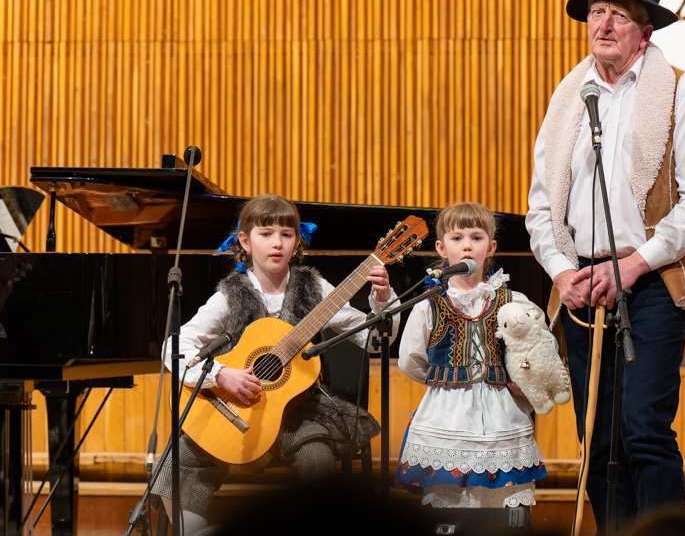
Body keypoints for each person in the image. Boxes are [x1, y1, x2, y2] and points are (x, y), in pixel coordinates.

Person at [525, 0, 685, 532]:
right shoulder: (569, 100)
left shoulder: (682, 94)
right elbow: (542, 209)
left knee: (644, 429)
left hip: (650, 281)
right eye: (596, 12)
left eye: (618, 14)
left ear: (646, 32)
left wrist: (632, 265)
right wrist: (563, 273)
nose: (603, 24)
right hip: (582, 285)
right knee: (600, 436)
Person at [150, 193, 400, 534]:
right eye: (265, 233)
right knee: (176, 462)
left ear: (297, 241)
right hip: (238, 409)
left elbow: (373, 340)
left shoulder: (316, 287)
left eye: (286, 234)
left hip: (303, 412)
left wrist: (382, 299)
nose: (277, 243)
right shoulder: (230, 294)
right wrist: (222, 376)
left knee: (318, 460)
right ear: (244, 240)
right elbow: (174, 347)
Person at [395, 201, 547, 512]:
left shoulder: (513, 303)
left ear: (490, 247)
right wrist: (445, 377)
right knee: (449, 503)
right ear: (441, 247)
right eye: (457, 238)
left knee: (502, 505)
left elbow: (538, 351)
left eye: (476, 238)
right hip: (447, 413)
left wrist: (522, 378)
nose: (467, 245)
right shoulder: (429, 304)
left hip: (502, 413)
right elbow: (409, 359)